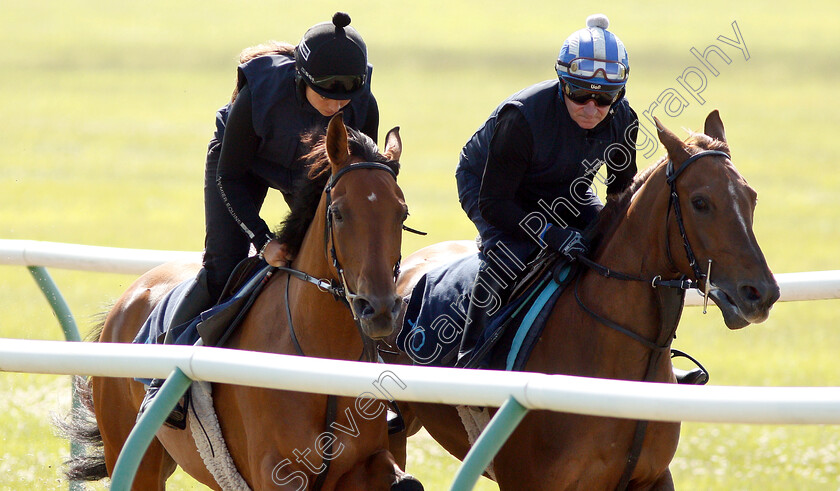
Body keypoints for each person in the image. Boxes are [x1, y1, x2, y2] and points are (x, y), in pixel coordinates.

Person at [138, 12, 379, 428]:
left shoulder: (363, 108)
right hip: (239, 168)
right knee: (222, 265)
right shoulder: (261, 93)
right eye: (326, 95)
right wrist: (263, 238)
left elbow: (357, 182)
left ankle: (376, 383)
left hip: (308, 175)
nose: (338, 106)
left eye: (347, 98)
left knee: (345, 268)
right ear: (303, 77)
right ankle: (163, 376)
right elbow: (229, 178)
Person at [454, 14, 638, 367]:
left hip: (568, 188)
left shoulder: (623, 120)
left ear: (620, 94)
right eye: (580, 92)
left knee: (615, 245)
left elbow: (620, 196)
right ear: (562, 82)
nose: (591, 108)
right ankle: (471, 360)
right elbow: (494, 205)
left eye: (605, 99)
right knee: (507, 256)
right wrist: (549, 233)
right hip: (493, 188)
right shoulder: (521, 118)